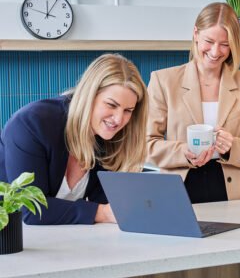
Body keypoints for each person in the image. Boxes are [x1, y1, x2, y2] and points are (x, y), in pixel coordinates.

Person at [0, 53, 148, 225]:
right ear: (88, 96)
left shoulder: (111, 137)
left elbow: (103, 201)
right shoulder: (32, 123)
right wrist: (104, 213)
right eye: (111, 105)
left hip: (62, 238)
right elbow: (32, 209)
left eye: (128, 110)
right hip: (11, 238)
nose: (118, 119)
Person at [146, 2, 240, 202]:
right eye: (209, 41)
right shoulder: (163, 81)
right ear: (195, 34)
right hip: (180, 187)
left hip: (234, 193)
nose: (216, 52)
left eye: (225, 44)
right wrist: (182, 150)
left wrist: (232, 146)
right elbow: (145, 146)